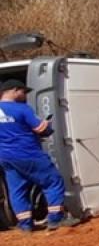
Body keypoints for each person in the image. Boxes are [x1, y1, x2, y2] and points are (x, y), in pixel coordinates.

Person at [0, 79, 74, 232]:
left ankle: (25, 224)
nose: (25, 95)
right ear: (14, 90)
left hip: (6, 158)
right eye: (23, 92)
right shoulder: (22, 109)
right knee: (53, 181)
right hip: (29, 153)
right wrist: (48, 125)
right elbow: (41, 129)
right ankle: (55, 219)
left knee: (17, 190)